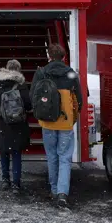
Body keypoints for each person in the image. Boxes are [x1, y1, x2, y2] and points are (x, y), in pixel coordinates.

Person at [33, 43, 83, 209]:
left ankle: (54, 190)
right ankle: (62, 194)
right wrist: (73, 118)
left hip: (47, 122)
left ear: (49, 56)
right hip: (66, 122)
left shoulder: (41, 73)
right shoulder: (70, 74)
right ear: (63, 57)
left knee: (52, 157)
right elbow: (79, 101)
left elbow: (34, 96)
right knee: (65, 158)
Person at [0, 59, 32, 193]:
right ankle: (16, 183)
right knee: (16, 153)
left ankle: (5, 179)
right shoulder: (21, 84)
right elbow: (28, 105)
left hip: (1, 122)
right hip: (17, 123)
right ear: (18, 70)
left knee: (4, 151)